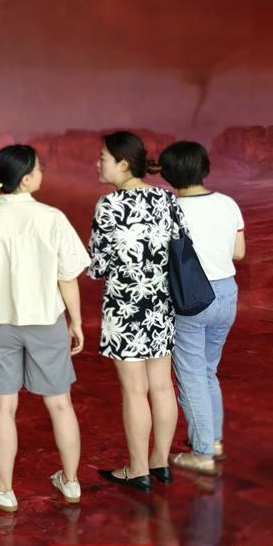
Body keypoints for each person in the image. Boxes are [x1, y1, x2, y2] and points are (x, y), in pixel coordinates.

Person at [0, 144, 90, 513]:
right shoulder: (52, 218)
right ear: (26, 179)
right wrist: (76, 321)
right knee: (60, 404)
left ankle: (3, 490)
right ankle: (71, 482)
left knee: (3, 409)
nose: (43, 173)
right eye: (39, 168)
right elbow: (67, 277)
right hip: (47, 322)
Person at [87, 131, 190, 492]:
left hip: (124, 306)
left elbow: (98, 266)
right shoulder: (167, 198)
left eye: (103, 158)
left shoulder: (109, 206)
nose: (98, 164)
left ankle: (138, 470)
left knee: (134, 391)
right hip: (161, 303)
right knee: (162, 386)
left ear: (123, 163)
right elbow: (182, 245)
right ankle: (161, 463)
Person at [159, 141, 245, 476]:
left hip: (191, 297)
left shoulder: (169, 208)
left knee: (191, 377)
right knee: (208, 371)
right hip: (227, 294)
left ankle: (202, 453)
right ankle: (215, 441)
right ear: (205, 167)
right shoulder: (227, 203)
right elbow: (238, 253)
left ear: (168, 174)